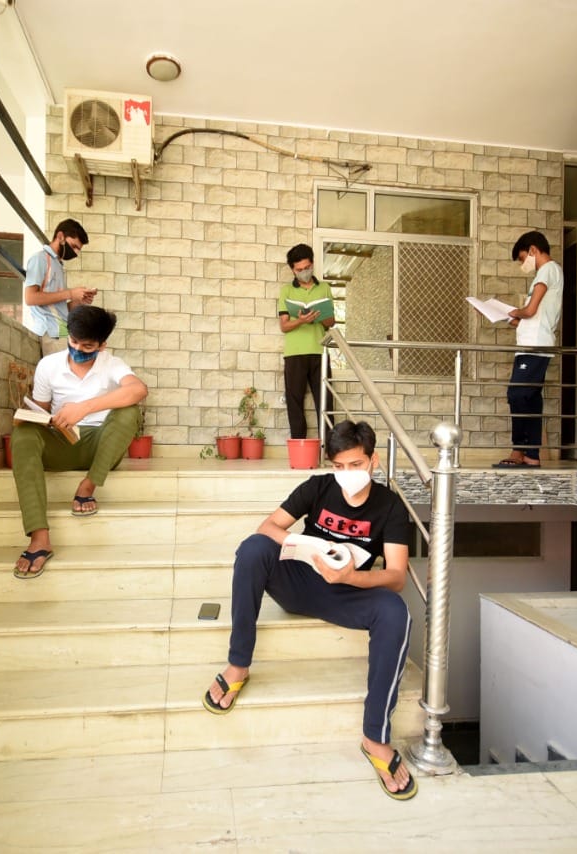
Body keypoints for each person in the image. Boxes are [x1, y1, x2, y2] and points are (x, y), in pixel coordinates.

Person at [202, 420, 418, 801]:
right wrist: (308, 546)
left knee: (396, 611)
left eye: (355, 465)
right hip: (299, 584)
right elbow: (268, 526)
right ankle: (238, 664)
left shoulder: (390, 507)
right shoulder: (317, 487)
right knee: (253, 548)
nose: (346, 475)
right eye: (339, 467)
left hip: (348, 593)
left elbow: (397, 575)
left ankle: (375, 737)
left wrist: (350, 577)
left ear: (373, 461)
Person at [10, 306, 147, 578]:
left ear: (102, 345)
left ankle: (88, 486)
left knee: (129, 411)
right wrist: (38, 419)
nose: (78, 349)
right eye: (74, 342)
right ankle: (39, 536)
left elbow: (138, 390)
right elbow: (40, 410)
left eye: (88, 346)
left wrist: (83, 408)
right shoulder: (49, 365)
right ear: (68, 337)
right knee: (23, 434)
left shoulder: (112, 364)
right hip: (62, 442)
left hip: (101, 446)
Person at [496, 230, 565, 468]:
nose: (523, 265)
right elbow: (528, 318)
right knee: (530, 398)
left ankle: (520, 449)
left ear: (534, 250)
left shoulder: (547, 270)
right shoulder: (548, 273)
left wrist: (513, 311)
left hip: (535, 345)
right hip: (530, 344)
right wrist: (502, 315)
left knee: (517, 394)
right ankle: (530, 453)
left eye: (523, 258)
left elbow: (530, 310)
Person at [277, 243, 336, 439]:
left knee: (325, 402)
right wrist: (301, 320)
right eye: (299, 270)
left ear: (312, 264)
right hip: (294, 354)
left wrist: (318, 317)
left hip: (320, 353)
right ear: (293, 270)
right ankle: (299, 446)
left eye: (307, 268)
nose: (304, 272)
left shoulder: (324, 288)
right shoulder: (286, 291)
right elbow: (284, 326)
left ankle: (329, 449)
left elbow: (330, 322)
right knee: (295, 403)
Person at [23, 218, 96, 356]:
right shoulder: (40, 259)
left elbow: (60, 309)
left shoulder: (58, 265)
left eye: (78, 249)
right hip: (49, 333)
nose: (75, 253)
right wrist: (70, 293)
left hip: (62, 332)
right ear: (60, 237)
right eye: (74, 246)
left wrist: (78, 301)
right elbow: (30, 297)